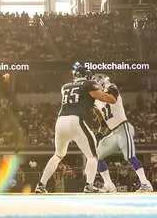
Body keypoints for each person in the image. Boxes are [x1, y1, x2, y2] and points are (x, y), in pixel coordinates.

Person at [35, 63, 117, 194]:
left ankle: (41, 185)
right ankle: (89, 185)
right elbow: (108, 99)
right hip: (76, 120)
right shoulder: (88, 85)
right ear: (87, 75)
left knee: (58, 155)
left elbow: (81, 98)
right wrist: (112, 92)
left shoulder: (65, 87)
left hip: (60, 121)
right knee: (92, 156)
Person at [91, 74, 153, 193]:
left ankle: (145, 183)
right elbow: (103, 123)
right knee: (97, 157)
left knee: (130, 157)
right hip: (113, 132)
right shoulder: (97, 102)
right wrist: (99, 133)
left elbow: (112, 97)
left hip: (123, 127)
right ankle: (109, 185)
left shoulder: (111, 87)